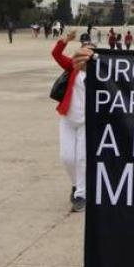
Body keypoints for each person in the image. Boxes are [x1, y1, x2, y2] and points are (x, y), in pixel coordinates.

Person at [51, 29, 94, 213]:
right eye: (83, 50)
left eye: (90, 51)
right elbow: (56, 54)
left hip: (87, 120)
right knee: (67, 157)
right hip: (68, 118)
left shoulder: (100, 74)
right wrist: (65, 40)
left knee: (82, 158)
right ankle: (76, 184)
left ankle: (81, 195)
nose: (86, 54)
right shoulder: (72, 67)